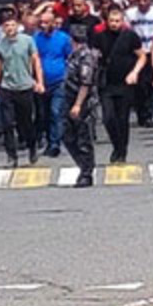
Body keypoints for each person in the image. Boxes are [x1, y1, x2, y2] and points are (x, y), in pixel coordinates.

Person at [93, 8, 146, 164]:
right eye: (111, 21)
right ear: (106, 21)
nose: (114, 24)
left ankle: (122, 151)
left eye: (117, 21)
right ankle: (116, 145)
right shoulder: (99, 36)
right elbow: (94, 55)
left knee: (122, 119)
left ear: (122, 21)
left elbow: (142, 56)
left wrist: (134, 73)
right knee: (108, 118)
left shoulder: (130, 36)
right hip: (107, 83)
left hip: (125, 83)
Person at [0, 13, 44, 167]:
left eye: (12, 25)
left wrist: (39, 82)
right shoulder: (0, 45)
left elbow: (36, 61)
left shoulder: (27, 41)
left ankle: (32, 147)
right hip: (7, 88)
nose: (10, 28)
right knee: (7, 124)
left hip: (25, 86)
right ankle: (11, 156)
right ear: (3, 28)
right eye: (7, 25)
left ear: (18, 26)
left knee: (26, 122)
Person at [62, 24, 100, 186]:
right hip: (70, 98)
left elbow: (86, 82)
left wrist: (78, 105)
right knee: (67, 136)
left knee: (83, 138)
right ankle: (83, 166)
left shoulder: (86, 56)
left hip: (83, 102)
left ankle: (86, 173)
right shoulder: (74, 55)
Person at [33, 10, 73, 157]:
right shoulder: (36, 38)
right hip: (42, 82)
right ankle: (47, 139)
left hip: (59, 80)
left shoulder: (63, 38)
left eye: (46, 22)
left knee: (56, 112)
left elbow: (70, 57)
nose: (43, 25)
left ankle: (55, 143)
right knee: (44, 113)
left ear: (53, 23)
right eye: (41, 23)